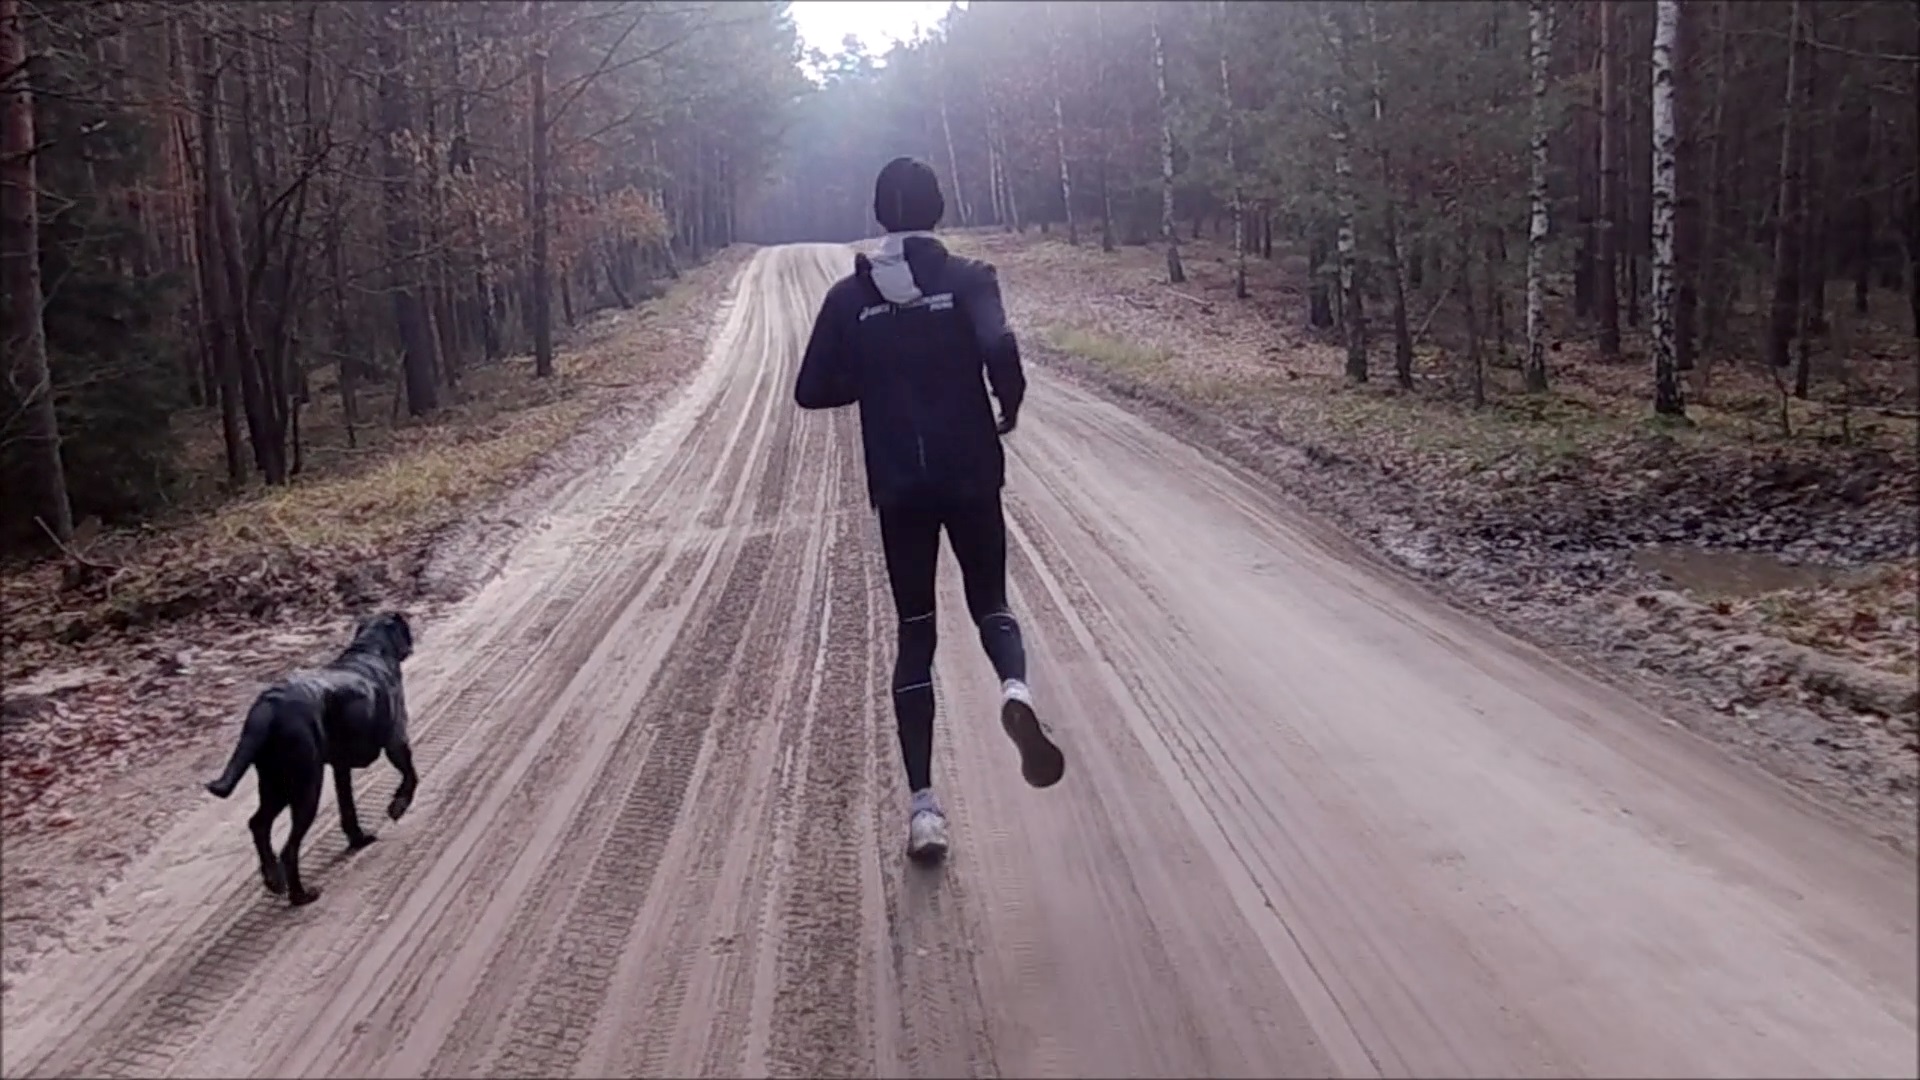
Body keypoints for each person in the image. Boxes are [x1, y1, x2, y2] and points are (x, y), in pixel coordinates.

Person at [794, 156, 1066, 863]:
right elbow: (999, 344)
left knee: (916, 631)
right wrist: (1009, 402)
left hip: (899, 483)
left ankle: (923, 810)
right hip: (970, 470)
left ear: (879, 214)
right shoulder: (970, 279)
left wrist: (876, 372)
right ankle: (1014, 689)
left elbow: (810, 390)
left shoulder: (849, 298)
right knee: (990, 602)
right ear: (939, 210)